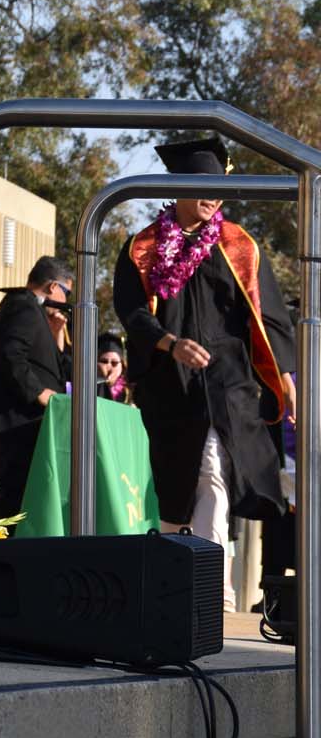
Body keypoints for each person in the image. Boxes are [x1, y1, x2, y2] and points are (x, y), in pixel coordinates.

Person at [114, 135, 295, 610]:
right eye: (201, 185)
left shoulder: (239, 246)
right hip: (170, 388)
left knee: (214, 473)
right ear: (178, 188)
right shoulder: (144, 248)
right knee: (177, 487)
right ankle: (177, 579)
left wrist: (287, 376)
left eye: (218, 186)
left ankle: (209, 591)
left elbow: (268, 315)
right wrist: (169, 344)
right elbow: (131, 311)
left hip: (228, 384)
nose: (212, 196)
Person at [0, 255, 74, 519]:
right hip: (14, 426)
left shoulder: (36, 313)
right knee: (11, 502)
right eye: (67, 292)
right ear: (53, 286)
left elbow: (52, 368)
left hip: (26, 426)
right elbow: (11, 355)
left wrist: (56, 338)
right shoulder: (23, 305)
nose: (65, 302)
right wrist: (39, 392)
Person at [96, 331, 128, 402]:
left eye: (114, 363)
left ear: (122, 366)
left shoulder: (131, 393)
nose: (109, 366)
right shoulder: (87, 389)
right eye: (104, 361)